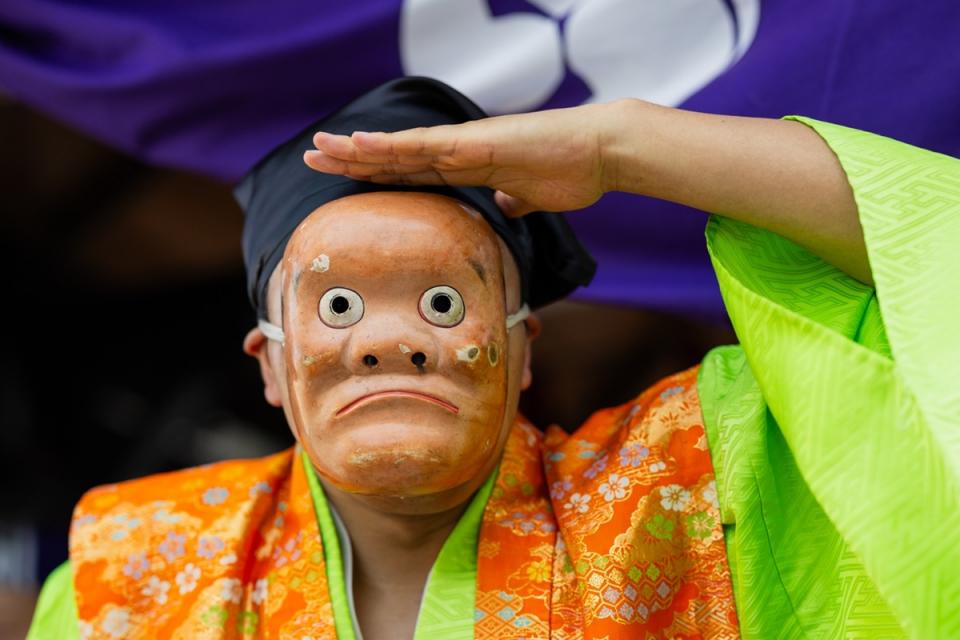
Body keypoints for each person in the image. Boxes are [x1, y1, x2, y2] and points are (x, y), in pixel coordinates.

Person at [28, 77, 958, 639]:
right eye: (338, 304)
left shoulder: (696, 486)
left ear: (521, 351)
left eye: (442, 302)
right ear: (269, 366)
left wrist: (620, 144)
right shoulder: (136, 576)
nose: (389, 341)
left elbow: (930, 261)